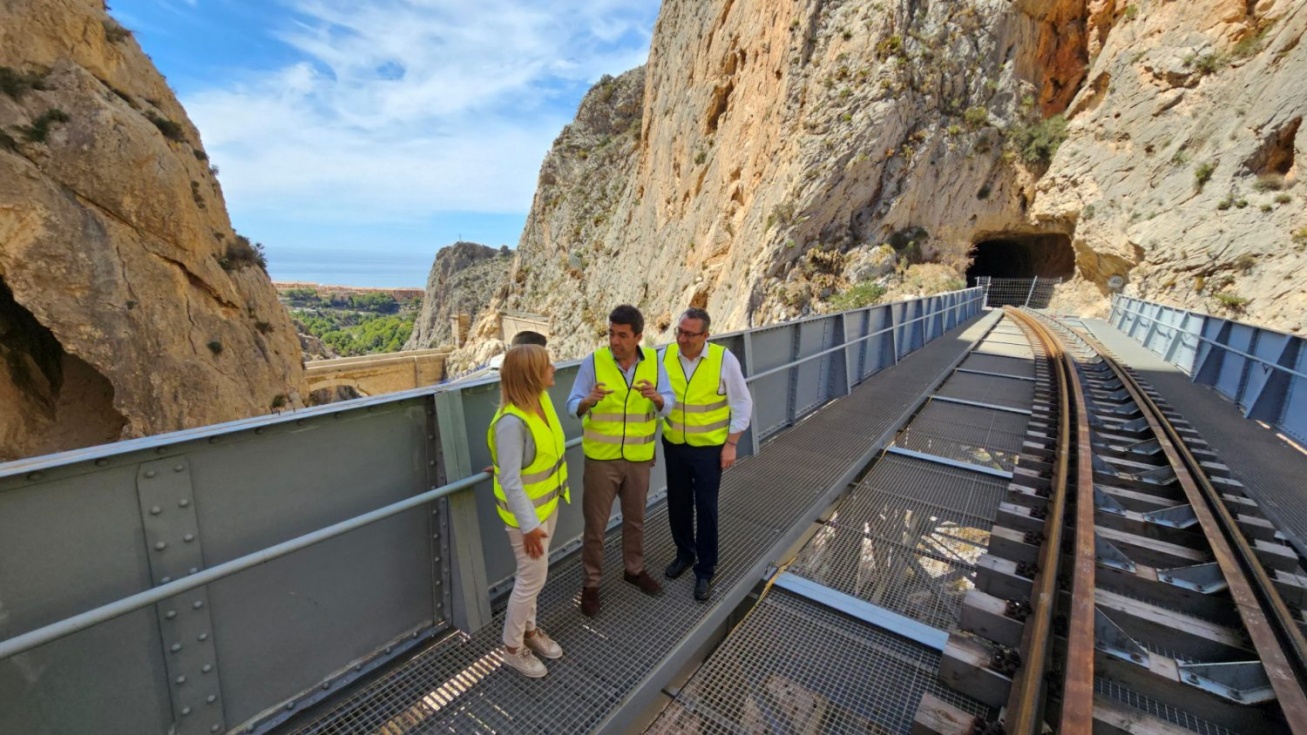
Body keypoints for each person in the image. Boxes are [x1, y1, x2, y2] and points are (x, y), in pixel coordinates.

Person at [567, 304, 675, 617]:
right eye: (611, 333)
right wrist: (586, 402)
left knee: (635, 519)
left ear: (638, 337)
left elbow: (668, 402)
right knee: (596, 527)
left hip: (639, 459)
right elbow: (572, 403)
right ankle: (591, 584)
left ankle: (634, 570)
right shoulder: (594, 362)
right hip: (601, 460)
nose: (614, 341)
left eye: (622, 335)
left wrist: (658, 399)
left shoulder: (654, 361)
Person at [660, 308, 753, 602]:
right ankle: (684, 554)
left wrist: (731, 443)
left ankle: (705, 570)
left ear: (705, 335)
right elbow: (657, 402)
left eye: (689, 334)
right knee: (678, 505)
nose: (682, 338)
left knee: (707, 508)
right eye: (679, 331)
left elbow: (742, 404)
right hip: (674, 445)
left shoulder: (723, 360)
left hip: (709, 450)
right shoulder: (664, 357)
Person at [488, 344, 569, 678]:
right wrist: (530, 526)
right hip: (528, 519)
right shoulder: (511, 423)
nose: (553, 368)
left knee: (535, 578)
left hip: (546, 505)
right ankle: (511, 648)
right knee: (531, 579)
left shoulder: (541, 402)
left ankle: (530, 632)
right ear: (532, 375)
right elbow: (510, 481)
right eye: (547, 365)